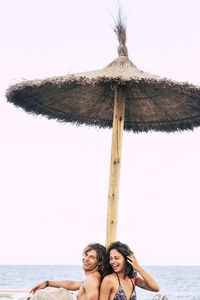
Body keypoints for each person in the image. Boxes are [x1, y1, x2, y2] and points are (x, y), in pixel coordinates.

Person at [30, 243, 106, 300]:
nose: (86, 259)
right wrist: (47, 283)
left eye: (91, 257)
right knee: (63, 292)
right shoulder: (93, 277)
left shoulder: (91, 279)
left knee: (40, 295)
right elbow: (72, 285)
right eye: (86, 255)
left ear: (99, 262)